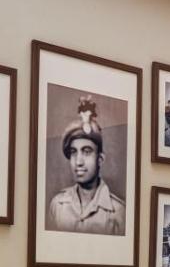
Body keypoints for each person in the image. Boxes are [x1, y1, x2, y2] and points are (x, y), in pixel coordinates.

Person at [47, 95, 126, 234]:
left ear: (100, 159)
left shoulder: (119, 212)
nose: (78, 161)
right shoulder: (58, 206)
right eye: (73, 152)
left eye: (87, 151)